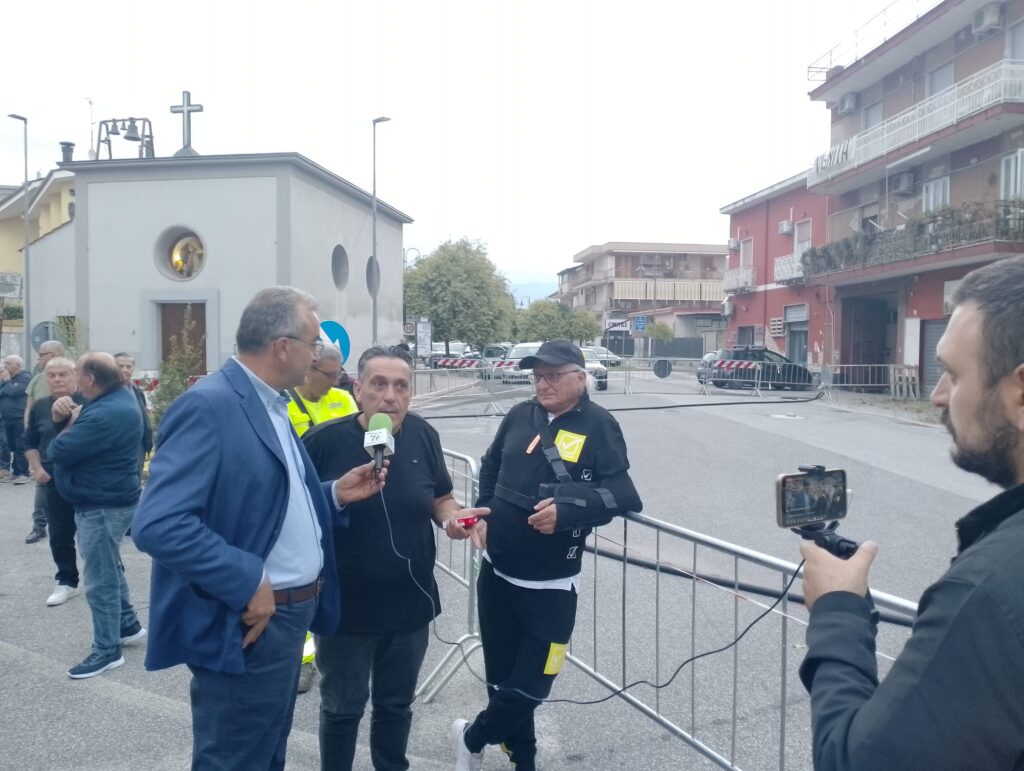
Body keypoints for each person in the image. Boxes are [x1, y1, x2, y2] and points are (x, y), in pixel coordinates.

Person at [132, 286, 385, 771]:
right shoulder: (211, 404)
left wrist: (333, 494)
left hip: (287, 619)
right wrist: (248, 579)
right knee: (235, 756)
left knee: (267, 751)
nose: (319, 357)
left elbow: (267, 498)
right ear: (283, 346)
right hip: (250, 621)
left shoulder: (267, 403)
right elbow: (159, 523)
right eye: (314, 345)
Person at [798, 255, 1024, 770]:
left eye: (950, 373)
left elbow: (858, 762)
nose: (937, 396)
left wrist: (837, 609)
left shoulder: (989, 593)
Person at [452, 339, 642, 771]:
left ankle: (472, 736)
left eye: (554, 375)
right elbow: (491, 463)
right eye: (538, 376)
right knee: (500, 676)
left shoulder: (599, 425)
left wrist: (569, 511)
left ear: (581, 376)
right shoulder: (522, 415)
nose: (543, 383)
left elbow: (625, 494)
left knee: (536, 681)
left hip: (552, 582)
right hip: (497, 571)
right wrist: (482, 512)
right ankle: (525, 758)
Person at [303, 344, 488, 771]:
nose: (390, 396)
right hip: (346, 609)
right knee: (342, 708)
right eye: (379, 384)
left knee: (395, 707)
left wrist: (451, 520)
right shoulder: (322, 442)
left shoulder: (424, 434)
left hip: (410, 606)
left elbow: (440, 496)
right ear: (358, 389)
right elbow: (291, 512)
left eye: (400, 386)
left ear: (410, 392)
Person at [48, 352, 146, 679]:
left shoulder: (106, 412)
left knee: (100, 578)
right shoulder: (117, 397)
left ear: (90, 379)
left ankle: (107, 650)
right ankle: (127, 624)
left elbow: (57, 451)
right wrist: (67, 414)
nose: (73, 379)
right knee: (109, 563)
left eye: (76, 373)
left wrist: (73, 421)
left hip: (101, 505)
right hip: (108, 499)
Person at [285, 342, 358, 694]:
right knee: (303, 586)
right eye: (329, 375)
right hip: (300, 509)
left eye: (339, 374)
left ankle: (326, 650)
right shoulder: (282, 404)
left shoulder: (343, 399)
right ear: (310, 369)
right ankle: (301, 660)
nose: (335, 381)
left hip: (341, 504)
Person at [24, 357, 85, 606]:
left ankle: (109, 579)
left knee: (97, 534)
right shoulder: (40, 406)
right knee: (60, 534)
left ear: (76, 376)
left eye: (63, 374)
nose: (57, 379)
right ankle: (67, 582)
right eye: (52, 375)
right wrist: (37, 468)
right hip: (54, 481)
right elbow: (29, 442)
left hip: (88, 480)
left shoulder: (91, 402)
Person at [23, 340, 66, 543]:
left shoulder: (72, 373)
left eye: (43, 354)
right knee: (42, 485)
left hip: (67, 442)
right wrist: (29, 434)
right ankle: (39, 526)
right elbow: (29, 408)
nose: (39, 357)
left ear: (55, 354)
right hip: (43, 439)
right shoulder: (38, 379)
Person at [113, 352, 154, 470]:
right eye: (120, 366)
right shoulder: (106, 392)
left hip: (138, 451)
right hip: (119, 452)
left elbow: (144, 418)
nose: (125, 370)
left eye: (128, 366)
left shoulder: (136, 390)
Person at [0, 354, 32, 485]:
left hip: (19, 418)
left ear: (17, 365)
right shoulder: (7, 379)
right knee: (9, 444)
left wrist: (7, 382)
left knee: (20, 445)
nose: (4, 366)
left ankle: (23, 473)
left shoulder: (25, 377)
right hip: (6, 418)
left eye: (8, 363)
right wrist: (7, 384)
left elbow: (14, 392)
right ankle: (11, 470)